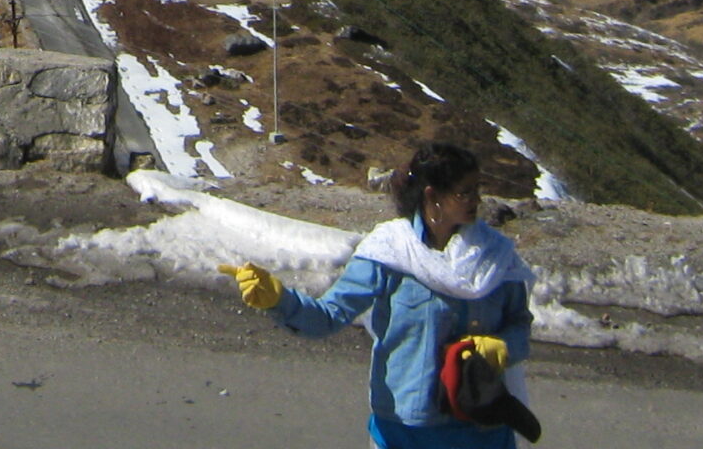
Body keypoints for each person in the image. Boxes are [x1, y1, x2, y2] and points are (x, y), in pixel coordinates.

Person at [219, 141, 537, 447]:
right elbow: (329, 316)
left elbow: (521, 325)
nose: (476, 201)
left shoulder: (496, 258)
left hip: (481, 424)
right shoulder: (389, 252)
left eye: (477, 190)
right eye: (464, 192)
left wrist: (502, 346)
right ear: (433, 196)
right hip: (406, 427)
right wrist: (278, 299)